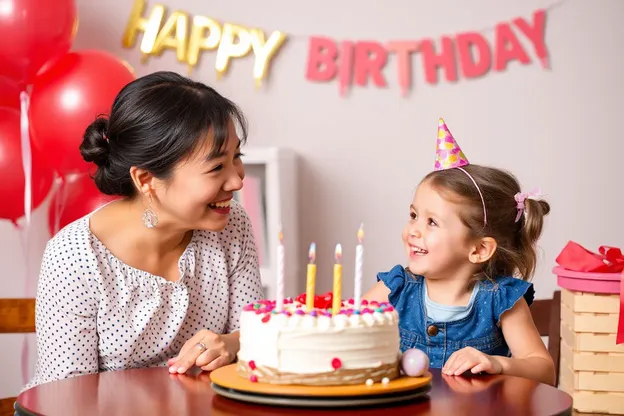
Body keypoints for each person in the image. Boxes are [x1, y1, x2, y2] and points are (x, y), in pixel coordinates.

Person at [22, 71, 264, 391]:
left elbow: (256, 335)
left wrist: (232, 344)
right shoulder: (75, 257)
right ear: (146, 179)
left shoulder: (231, 224)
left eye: (237, 157)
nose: (236, 181)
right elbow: (67, 398)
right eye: (217, 167)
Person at [364, 118, 555, 386]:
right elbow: (348, 331)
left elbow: (544, 370)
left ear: (479, 249)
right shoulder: (395, 288)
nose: (414, 230)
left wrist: (498, 363)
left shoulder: (500, 300)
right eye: (414, 215)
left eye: (431, 222)